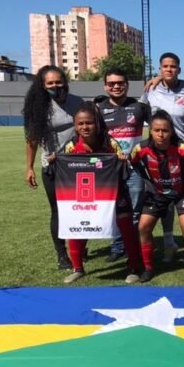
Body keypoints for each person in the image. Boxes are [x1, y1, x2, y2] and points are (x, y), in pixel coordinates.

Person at [57, 103, 143, 284]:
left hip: (114, 194)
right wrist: (54, 160)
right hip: (85, 196)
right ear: (75, 125)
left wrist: (122, 160)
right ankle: (78, 268)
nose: (84, 127)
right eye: (80, 124)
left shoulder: (110, 143)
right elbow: (64, 168)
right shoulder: (71, 146)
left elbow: (124, 167)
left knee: (127, 228)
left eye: (89, 123)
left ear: (97, 123)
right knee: (77, 229)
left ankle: (134, 267)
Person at [141, 53, 184, 263]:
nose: (169, 70)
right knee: (163, 196)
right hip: (160, 151)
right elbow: (143, 117)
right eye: (165, 66)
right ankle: (169, 241)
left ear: (179, 69)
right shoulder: (150, 90)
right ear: (160, 69)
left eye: (173, 66)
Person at [23, 65, 84, 270]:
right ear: (43, 85)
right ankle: (62, 254)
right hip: (52, 166)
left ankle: (80, 244)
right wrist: (29, 167)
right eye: (50, 83)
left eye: (58, 81)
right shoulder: (38, 106)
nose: (55, 86)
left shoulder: (78, 102)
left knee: (81, 209)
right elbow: (32, 139)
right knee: (58, 211)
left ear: (65, 81)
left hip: (77, 165)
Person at [130, 110, 184, 284]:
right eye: (157, 130)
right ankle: (148, 268)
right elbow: (133, 162)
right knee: (143, 227)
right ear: (151, 131)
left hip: (182, 192)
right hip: (158, 193)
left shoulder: (183, 148)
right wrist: (148, 180)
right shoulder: (141, 148)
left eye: (165, 130)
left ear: (172, 131)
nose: (161, 134)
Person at [94, 68, 150, 262]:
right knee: (113, 209)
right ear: (105, 86)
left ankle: (131, 246)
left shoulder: (140, 107)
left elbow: (159, 128)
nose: (116, 86)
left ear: (127, 84)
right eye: (111, 84)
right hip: (110, 170)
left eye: (120, 83)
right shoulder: (99, 109)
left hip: (134, 168)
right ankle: (118, 246)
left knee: (134, 209)